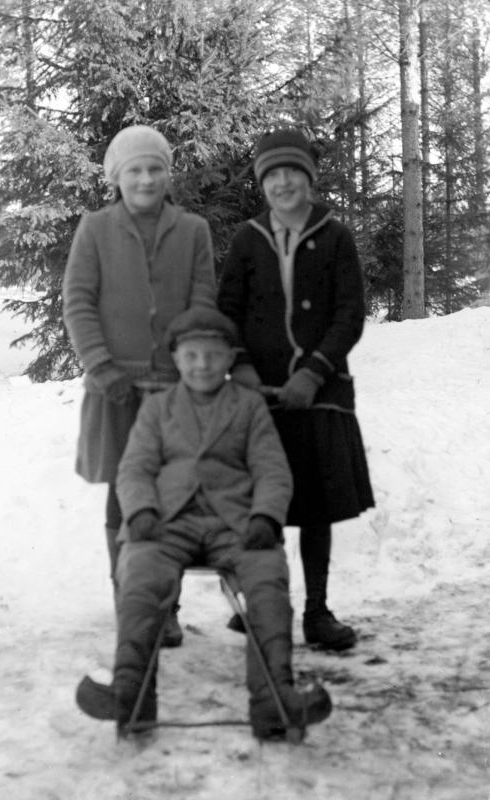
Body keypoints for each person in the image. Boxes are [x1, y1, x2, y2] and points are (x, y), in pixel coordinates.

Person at [75, 306, 332, 739]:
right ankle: (131, 694)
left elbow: (272, 470)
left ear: (230, 358)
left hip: (236, 524)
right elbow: (134, 469)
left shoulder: (248, 406)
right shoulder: (158, 407)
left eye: (213, 355)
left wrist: (265, 517)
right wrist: (141, 511)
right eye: (192, 355)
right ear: (176, 358)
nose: (202, 365)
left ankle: (274, 698)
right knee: (139, 580)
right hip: (167, 523)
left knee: (267, 581)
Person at [217, 128, 375, 651]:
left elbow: (350, 314)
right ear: (262, 183)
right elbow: (227, 311)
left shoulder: (335, 236)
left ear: (309, 178)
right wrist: (240, 368)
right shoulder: (247, 239)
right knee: (263, 506)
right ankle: (266, 603)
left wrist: (313, 372)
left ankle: (317, 611)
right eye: (273, 175)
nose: (283, 183)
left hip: (321, 392)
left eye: (293, 173)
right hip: (259, 393)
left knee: (315, 505)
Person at [62, 125, 216, 647]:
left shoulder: (193, 230)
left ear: (168, 175)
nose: (146, 179)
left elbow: (202, 303)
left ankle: (166, 608)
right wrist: (101, 366)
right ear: (117, 177)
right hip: (116, 390)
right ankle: (129, 601)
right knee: (122, 496)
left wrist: (191, 372)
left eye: (155, 169)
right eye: (135, 170)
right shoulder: (95, 229)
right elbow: (78, 302)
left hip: (174, 390)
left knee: (172, 496)